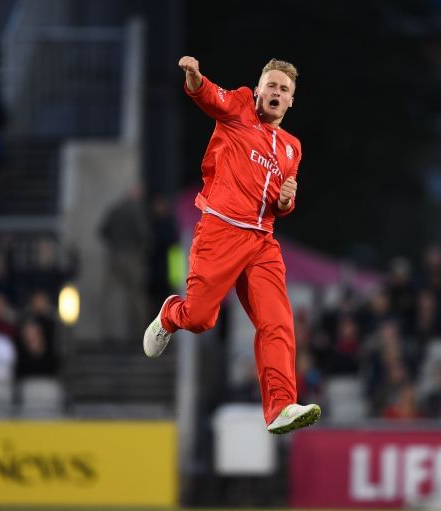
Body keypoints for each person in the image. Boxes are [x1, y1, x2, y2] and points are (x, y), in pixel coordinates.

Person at [143, 56, 320, 434]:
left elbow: (279, 205)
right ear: (257, 91)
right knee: (200, 319)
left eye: (283, 89)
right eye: (271, 85)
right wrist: (194, 79)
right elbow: (209, 97)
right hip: (221, 230)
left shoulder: (292, 149)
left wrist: (287, 200)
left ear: (291, 102)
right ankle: (172, 314)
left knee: (277, 322)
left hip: (262, 242)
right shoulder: (239, 107)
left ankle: (280, 407)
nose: (276, 92)